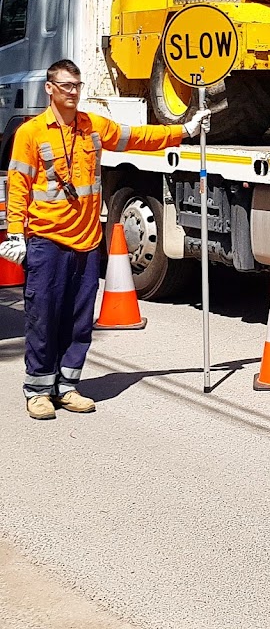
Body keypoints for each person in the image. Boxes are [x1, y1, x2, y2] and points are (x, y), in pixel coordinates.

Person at [0, 59, 211, 420]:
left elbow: (138, 137)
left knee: (79, 320)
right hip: (47, 241)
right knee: (43, 317)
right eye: (66, 86)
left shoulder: (92, 127)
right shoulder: (31, 133)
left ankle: (67, 387)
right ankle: (38, 389)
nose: (73, 92)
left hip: (84, 242)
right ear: (49, 88)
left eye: (77, 85)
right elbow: (19, 186)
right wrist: (15, 232)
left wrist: (184, 131)